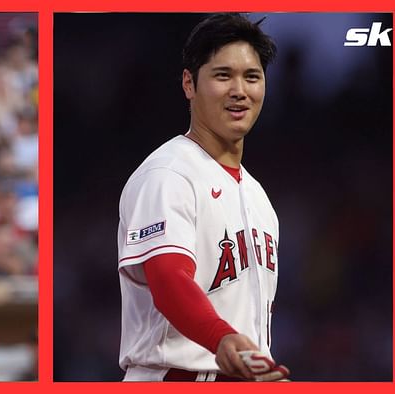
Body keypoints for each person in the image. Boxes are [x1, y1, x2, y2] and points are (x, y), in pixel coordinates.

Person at [117, 13, 289, 382]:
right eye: (223, 75)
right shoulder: (168, 173)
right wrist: (221, 336)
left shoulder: (259, 197)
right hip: (173, 376)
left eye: (252, 77)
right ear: (189, 84)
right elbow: (169, 279)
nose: (239, 90)